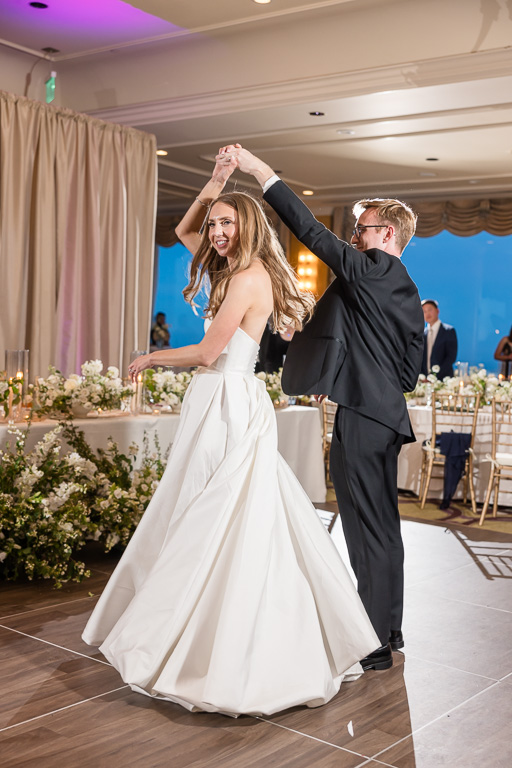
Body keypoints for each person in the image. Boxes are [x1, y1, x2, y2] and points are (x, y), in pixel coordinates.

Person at [82, 154, 380, 716]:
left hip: (228, 402)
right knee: (213, 512)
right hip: (217, 401)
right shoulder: (229, 267)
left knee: (216, 516)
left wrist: (150, 357)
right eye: (215, 223)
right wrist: (216, 183)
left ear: (247, 228)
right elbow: (182, 230)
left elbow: (207, 353)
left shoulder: (246, 277)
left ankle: (225, 647)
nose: (215, 233)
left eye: (226, 223)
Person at [219, 144, 424, 671]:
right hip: (379, 415)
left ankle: (373, 642)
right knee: (380, 527)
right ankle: (388, 629)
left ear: (388, 238)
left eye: (365, 229)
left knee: (365, 527)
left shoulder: (378, 271)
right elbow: (405, 370)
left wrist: (261, 172)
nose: (356, 237)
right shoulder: (392, 291)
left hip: (365, 418)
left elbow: (311, 233)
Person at [420, 299, 457, 380]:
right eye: (424, 311)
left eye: (429, 310)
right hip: (425, 381)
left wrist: (434, 377)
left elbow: (451, 357)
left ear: (437, 311)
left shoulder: (448, 331)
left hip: (444, 380)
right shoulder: (422, 334)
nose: (427, 313)